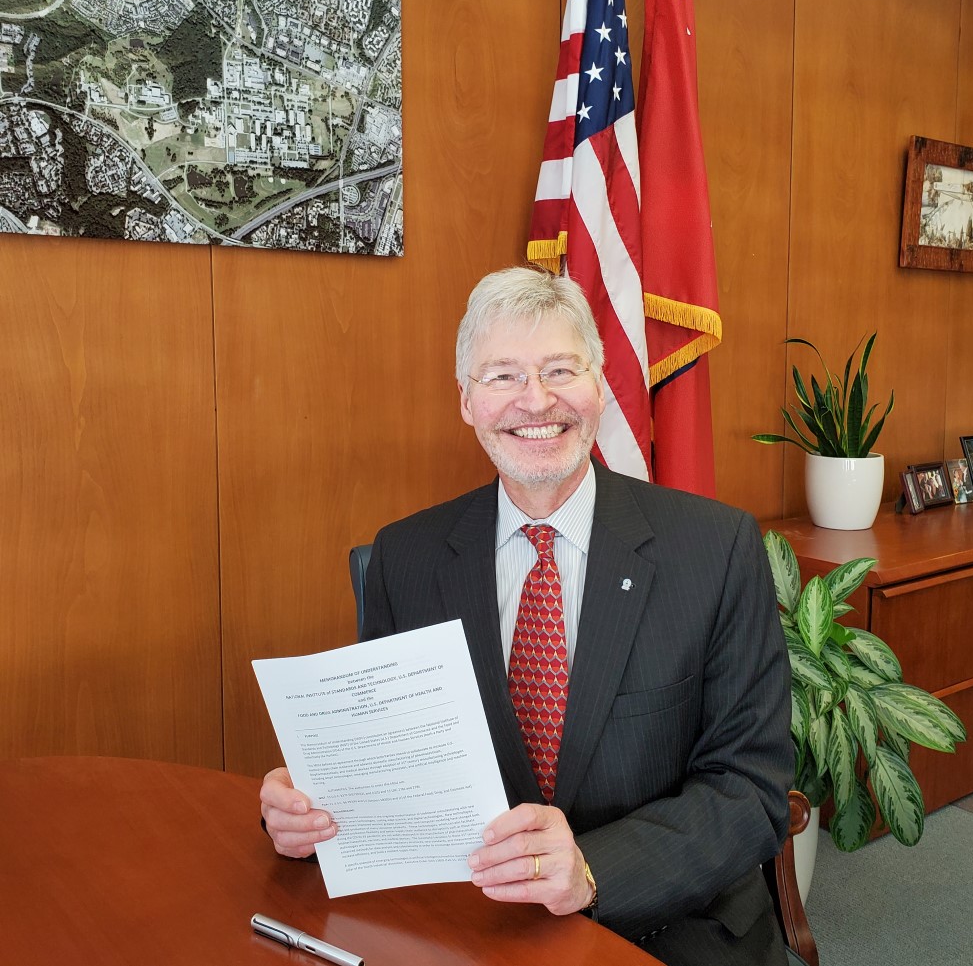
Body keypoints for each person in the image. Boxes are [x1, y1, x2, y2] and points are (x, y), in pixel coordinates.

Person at [260, 267, 793, 966]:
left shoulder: (716, 549)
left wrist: (593, 868)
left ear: (600, 385)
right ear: (467, 401)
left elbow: (749, 788)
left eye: (560, 369)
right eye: (502, 376)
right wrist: (308, 802)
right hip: (475, 928)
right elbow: (387, 761)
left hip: (669, 926)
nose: (535, 401)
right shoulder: (406, 557)